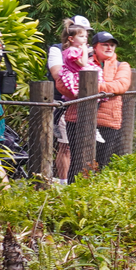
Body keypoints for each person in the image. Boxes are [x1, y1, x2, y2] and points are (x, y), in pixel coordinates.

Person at [54, 24, 93, 181]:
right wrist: (85, 50)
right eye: (81, 36)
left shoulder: (76, 50)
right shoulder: (71, 51)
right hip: (74, 78)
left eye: (86, 37)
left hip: (80, 78)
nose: (85, 39)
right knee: (66, 146)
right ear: (71, 38)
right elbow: (83, 64)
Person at [89, 31, 132, 170]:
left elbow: (120, 86)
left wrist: (89, 87)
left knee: (101, 161)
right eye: (105, 44)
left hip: (107, 120)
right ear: (94, 47)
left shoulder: (122, 65)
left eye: (112, 45)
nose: (109, 47)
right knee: (78, 158)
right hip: (82, 118)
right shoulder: (84, 63)